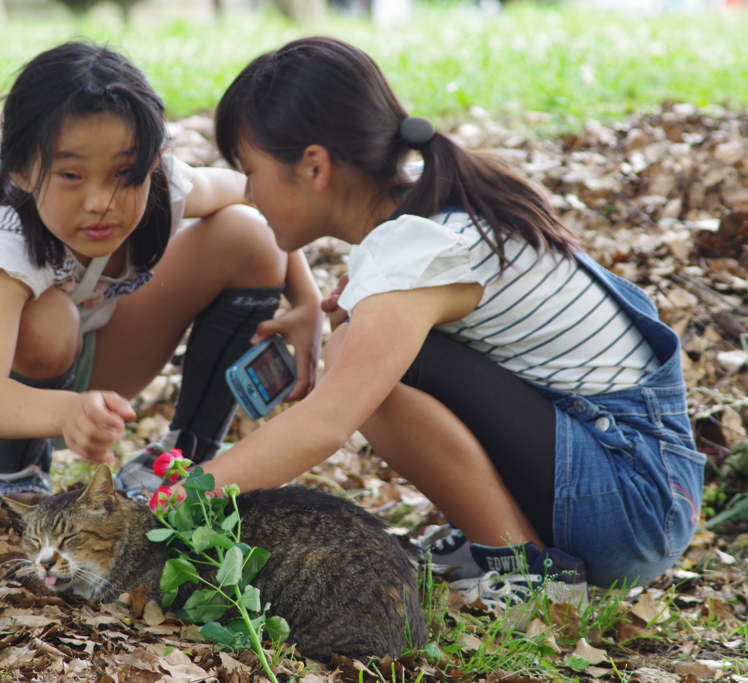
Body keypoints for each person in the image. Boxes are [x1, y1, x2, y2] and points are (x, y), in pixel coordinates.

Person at [196, 36, 704, 603]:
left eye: (250, 172)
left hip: (630, 502)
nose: (247, 192)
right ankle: (517, 547)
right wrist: (319, 309)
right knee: (359, 345)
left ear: (314, 166)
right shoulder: (436, 215)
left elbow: (325, 424)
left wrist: (182, 497)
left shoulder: (415, 253)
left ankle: (527, 571)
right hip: (641, 487)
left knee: (355, 362)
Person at [0, 42, 321, 512]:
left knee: (248, 237)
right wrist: (65, 412)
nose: (101, 201)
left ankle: (180, 461)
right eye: (71, 175)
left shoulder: (162, 186)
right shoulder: (3, 237)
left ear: (154, 160)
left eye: (124, 172)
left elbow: (258, 197)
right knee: (47, 318)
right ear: (23, 169)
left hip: (72, 354)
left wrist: (306, 301)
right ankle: (4, 473)